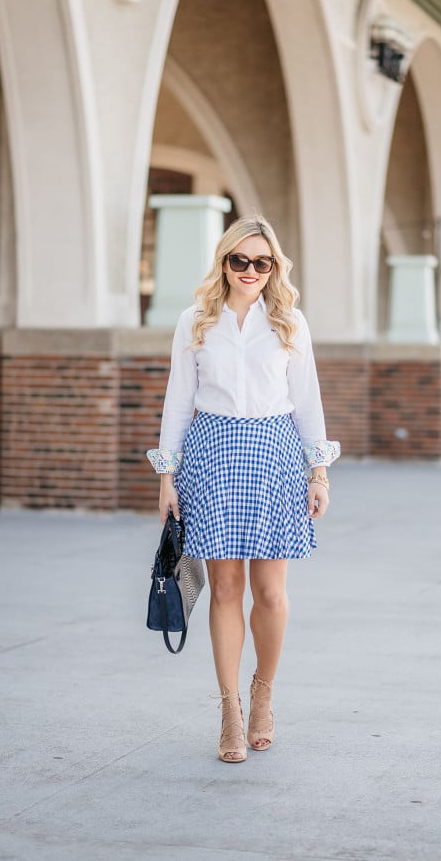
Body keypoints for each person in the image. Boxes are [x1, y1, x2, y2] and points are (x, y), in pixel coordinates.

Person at [147, 214, 340, 763]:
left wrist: (319, 473)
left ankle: (263, 694)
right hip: (210, 456)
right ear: (224, 262)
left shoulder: (289, 322)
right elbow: (178, 399)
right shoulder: (195, 321)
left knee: (272, 593)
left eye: (263, 262)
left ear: (274, 266)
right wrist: (167, 475)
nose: (251, 270)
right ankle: (229, 708)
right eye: (240, 260)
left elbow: (308, 401)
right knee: (226, 589)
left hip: (275, 456)